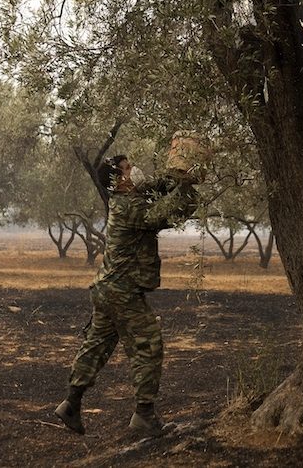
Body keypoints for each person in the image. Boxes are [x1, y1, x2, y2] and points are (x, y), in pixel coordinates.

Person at [54, 154, 199, 436]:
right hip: (122, 293)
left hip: (106, 290)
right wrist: (187, 188)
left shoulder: (126, 200)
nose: (134, 171)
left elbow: (155, 186)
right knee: (149, 345)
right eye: (128, 169)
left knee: (96, 347)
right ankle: (144, 415)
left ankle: (71, 404)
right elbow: (172, 212)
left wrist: (178, 175)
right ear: (119, 180)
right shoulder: (130, 207)